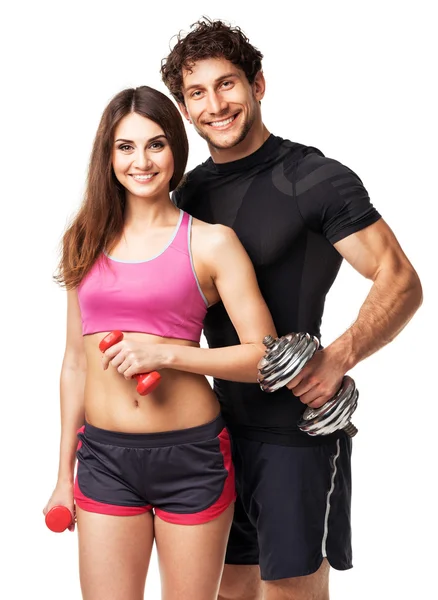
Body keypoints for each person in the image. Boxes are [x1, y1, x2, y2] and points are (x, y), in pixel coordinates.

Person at [160, 18, 423, 600]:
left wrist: (337, 358)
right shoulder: (188, 195)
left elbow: (400, 281)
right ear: (183, 107)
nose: (215, 104)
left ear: (258, 84)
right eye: (197, 93)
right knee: (228, 590)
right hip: (214, 428)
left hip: (294, 432)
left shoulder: (314, 178)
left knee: (292, 592)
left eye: (227, 84)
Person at [42, 85, 278, 600]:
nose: (141, 161)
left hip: (191, 458)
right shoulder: (83, 239)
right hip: (104, 459)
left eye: (155, 144)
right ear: (108, 155)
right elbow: (74, 365)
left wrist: (166, 353)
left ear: (176, 148)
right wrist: (64, 474)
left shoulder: (211, 242)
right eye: (125, 147)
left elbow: (266, 356)